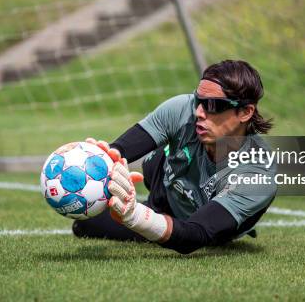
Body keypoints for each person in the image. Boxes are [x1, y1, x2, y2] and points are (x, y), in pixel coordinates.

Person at [73, 59, 277, 254]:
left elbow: (194, 235)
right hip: (164, 192)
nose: (199, 112)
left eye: (213, 105)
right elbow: (120, 149)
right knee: (84, 225)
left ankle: (155, 212)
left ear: (245, 112)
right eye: (198, 100)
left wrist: (137, 216)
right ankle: (158, 200)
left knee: (193, 235)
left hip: (207, 224)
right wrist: (98, 157)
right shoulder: (181, 109)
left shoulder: (258, 173)